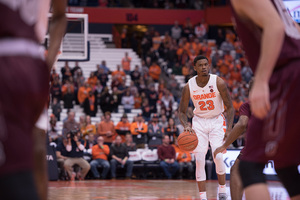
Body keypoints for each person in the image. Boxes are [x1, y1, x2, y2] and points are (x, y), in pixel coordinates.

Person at [230, 1, 300, 199]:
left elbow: (275, 27)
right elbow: (294, 29)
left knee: (250, 165)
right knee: (285, 165)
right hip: (293, 72)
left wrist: (260, 81)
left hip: (287, 76)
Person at [0, 0, 66, 199]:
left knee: (33, 152)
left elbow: (60, 16)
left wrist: (48, 62)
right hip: (29, 64)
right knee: (31, 151)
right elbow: (60, 16)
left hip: (22, 61)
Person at [178, 55, 234, 200]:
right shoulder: (188, 86)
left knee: (219, 156)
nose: (204, 67)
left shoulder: (218, 82)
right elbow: (182, 112)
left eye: (206, 64)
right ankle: (202, 197)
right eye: (201, 65)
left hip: (217, 121)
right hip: (199, 122)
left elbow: (230, 107)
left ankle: (222, 190)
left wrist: (229, 130)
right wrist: (186, 126)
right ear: (195, 68)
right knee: (199, 159)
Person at [213, 80, 253, 200]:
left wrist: (224, 146)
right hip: (284, 142)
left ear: (250, 92)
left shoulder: (248, 105)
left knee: (236, 170)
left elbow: (242, 124)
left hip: (260, 143)